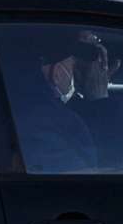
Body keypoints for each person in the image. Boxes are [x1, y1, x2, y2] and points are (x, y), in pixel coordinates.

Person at [8, 27, 114, 174]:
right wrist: (99, 99)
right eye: (74, 66)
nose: (77, 73)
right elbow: (106, 175)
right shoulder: (40, 127)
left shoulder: (18, 107)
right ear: (57, 73)